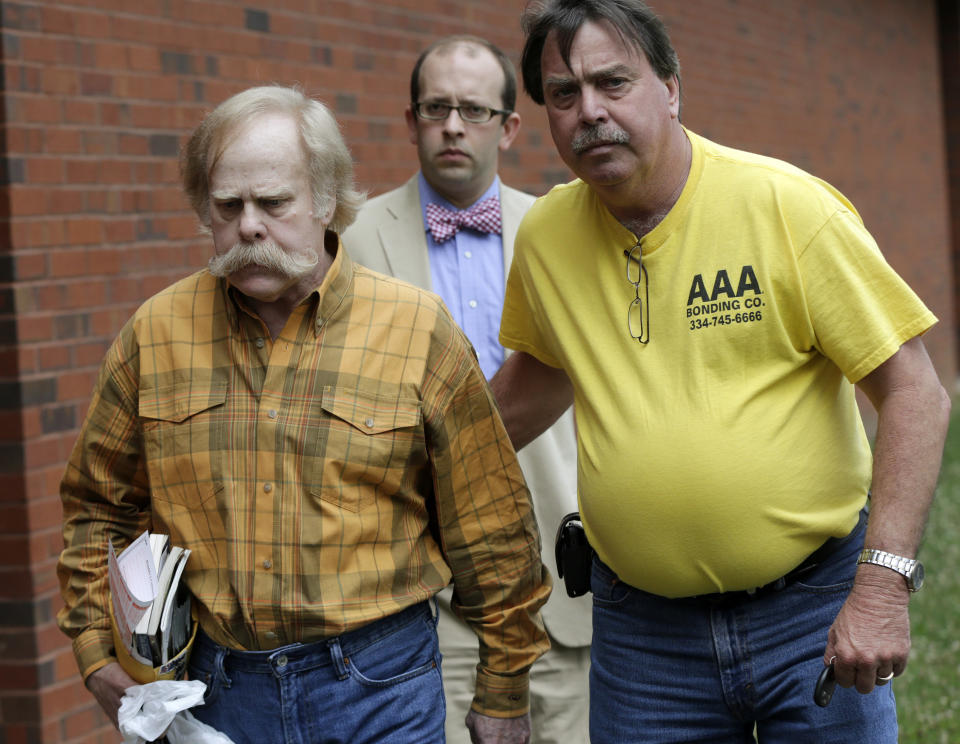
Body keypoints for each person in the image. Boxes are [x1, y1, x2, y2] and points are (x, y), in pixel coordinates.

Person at [491, 1, 951, 741]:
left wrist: (880, 588)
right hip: (644, 640)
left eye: (614, 83)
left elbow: (915, 394)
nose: (589, 112)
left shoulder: (784, 208)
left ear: (671, 87)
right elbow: (539, 377)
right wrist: (407, 461)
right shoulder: (545, 237)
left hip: (812, 613)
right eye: (563, 94)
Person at [56, 85, 551, 744]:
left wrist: (502, 689)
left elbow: (492, 529)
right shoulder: (155, 334)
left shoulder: (414, 329)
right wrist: (95, 652)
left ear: (325, 200)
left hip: (380, 686)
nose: (249, 225)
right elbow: (98, 508)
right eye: (228, 206)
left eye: (273, 202)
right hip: (213, 695)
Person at [342, 35, 591, 743]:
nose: (454, 125)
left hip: (560, 583)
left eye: (475, 110)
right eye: (437, 107)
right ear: (412, 119)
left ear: (510, 127)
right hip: (428, 590)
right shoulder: (352, 242)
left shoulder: (565, 230)